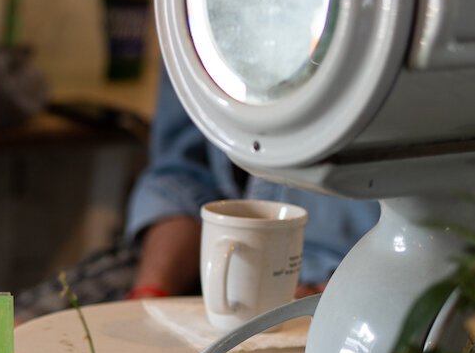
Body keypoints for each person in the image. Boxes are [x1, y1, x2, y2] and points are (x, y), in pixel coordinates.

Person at [126, 69, 380, 299]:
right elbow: (184, 174)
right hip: (222, 278)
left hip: (357, 290)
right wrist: (152, 293)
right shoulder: (196, 25)